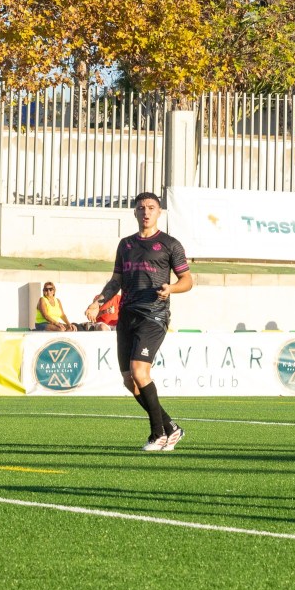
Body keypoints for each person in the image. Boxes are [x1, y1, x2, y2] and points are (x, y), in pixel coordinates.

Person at [85, 192, 193, 452]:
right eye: (141, 208)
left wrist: (171, 289)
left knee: (139, 371)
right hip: (127, 315)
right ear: (135, 212)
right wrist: (98, 302)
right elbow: (116, 281)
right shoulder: (125, 245)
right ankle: (171, 427)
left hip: (154, 315)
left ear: (159, 212)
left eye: (151, 208)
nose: (146, 212)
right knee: (129, 380)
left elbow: (188, 281)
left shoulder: (170, 244)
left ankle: (158, 435)